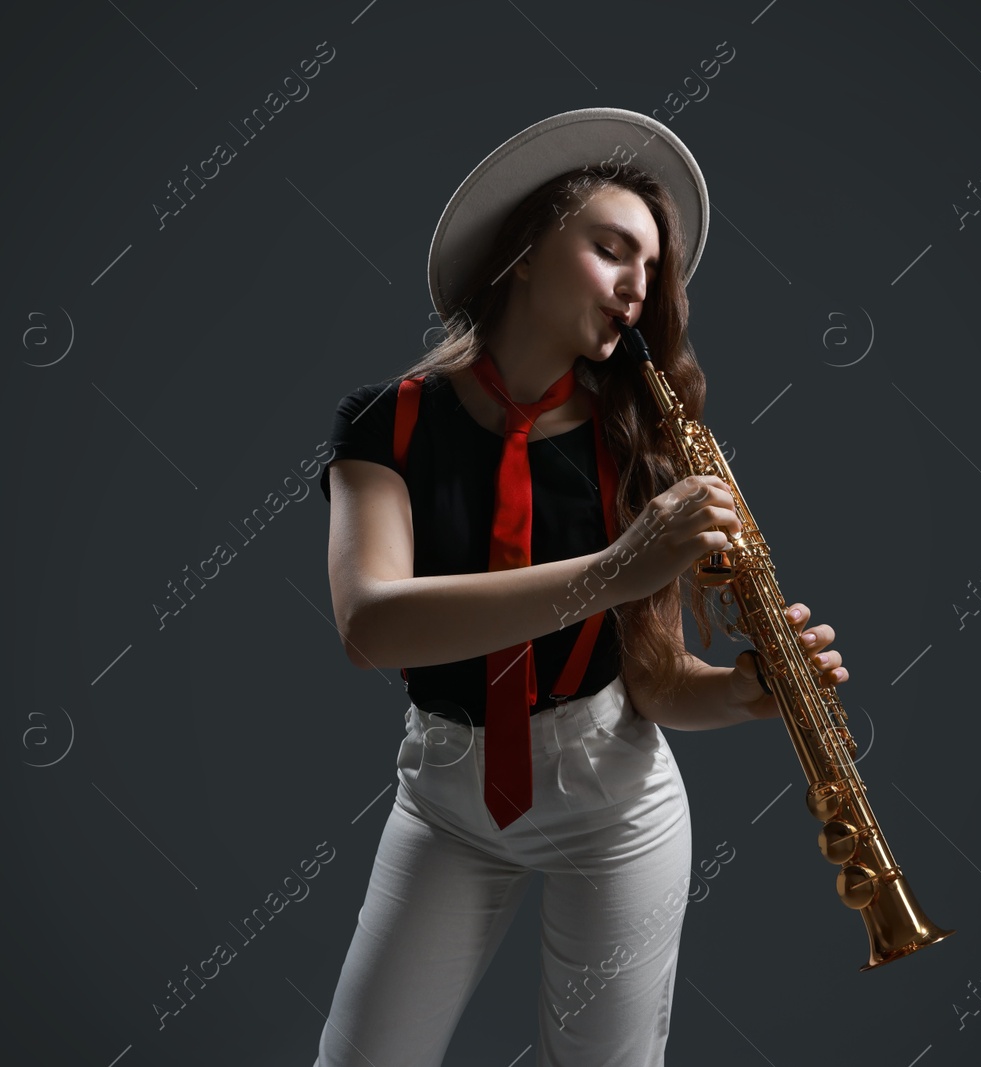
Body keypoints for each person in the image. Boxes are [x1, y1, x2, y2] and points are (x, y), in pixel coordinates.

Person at [311, 107, 850, 1067]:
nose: (639, 288)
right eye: (612, 250)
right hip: (444, 797)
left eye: (654, 270)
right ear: (524, 251)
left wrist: (736, 692)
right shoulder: (386, 427)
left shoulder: (638, 442)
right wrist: (612, 569)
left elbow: (652, 683)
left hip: (613, 802)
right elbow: (370, 625)